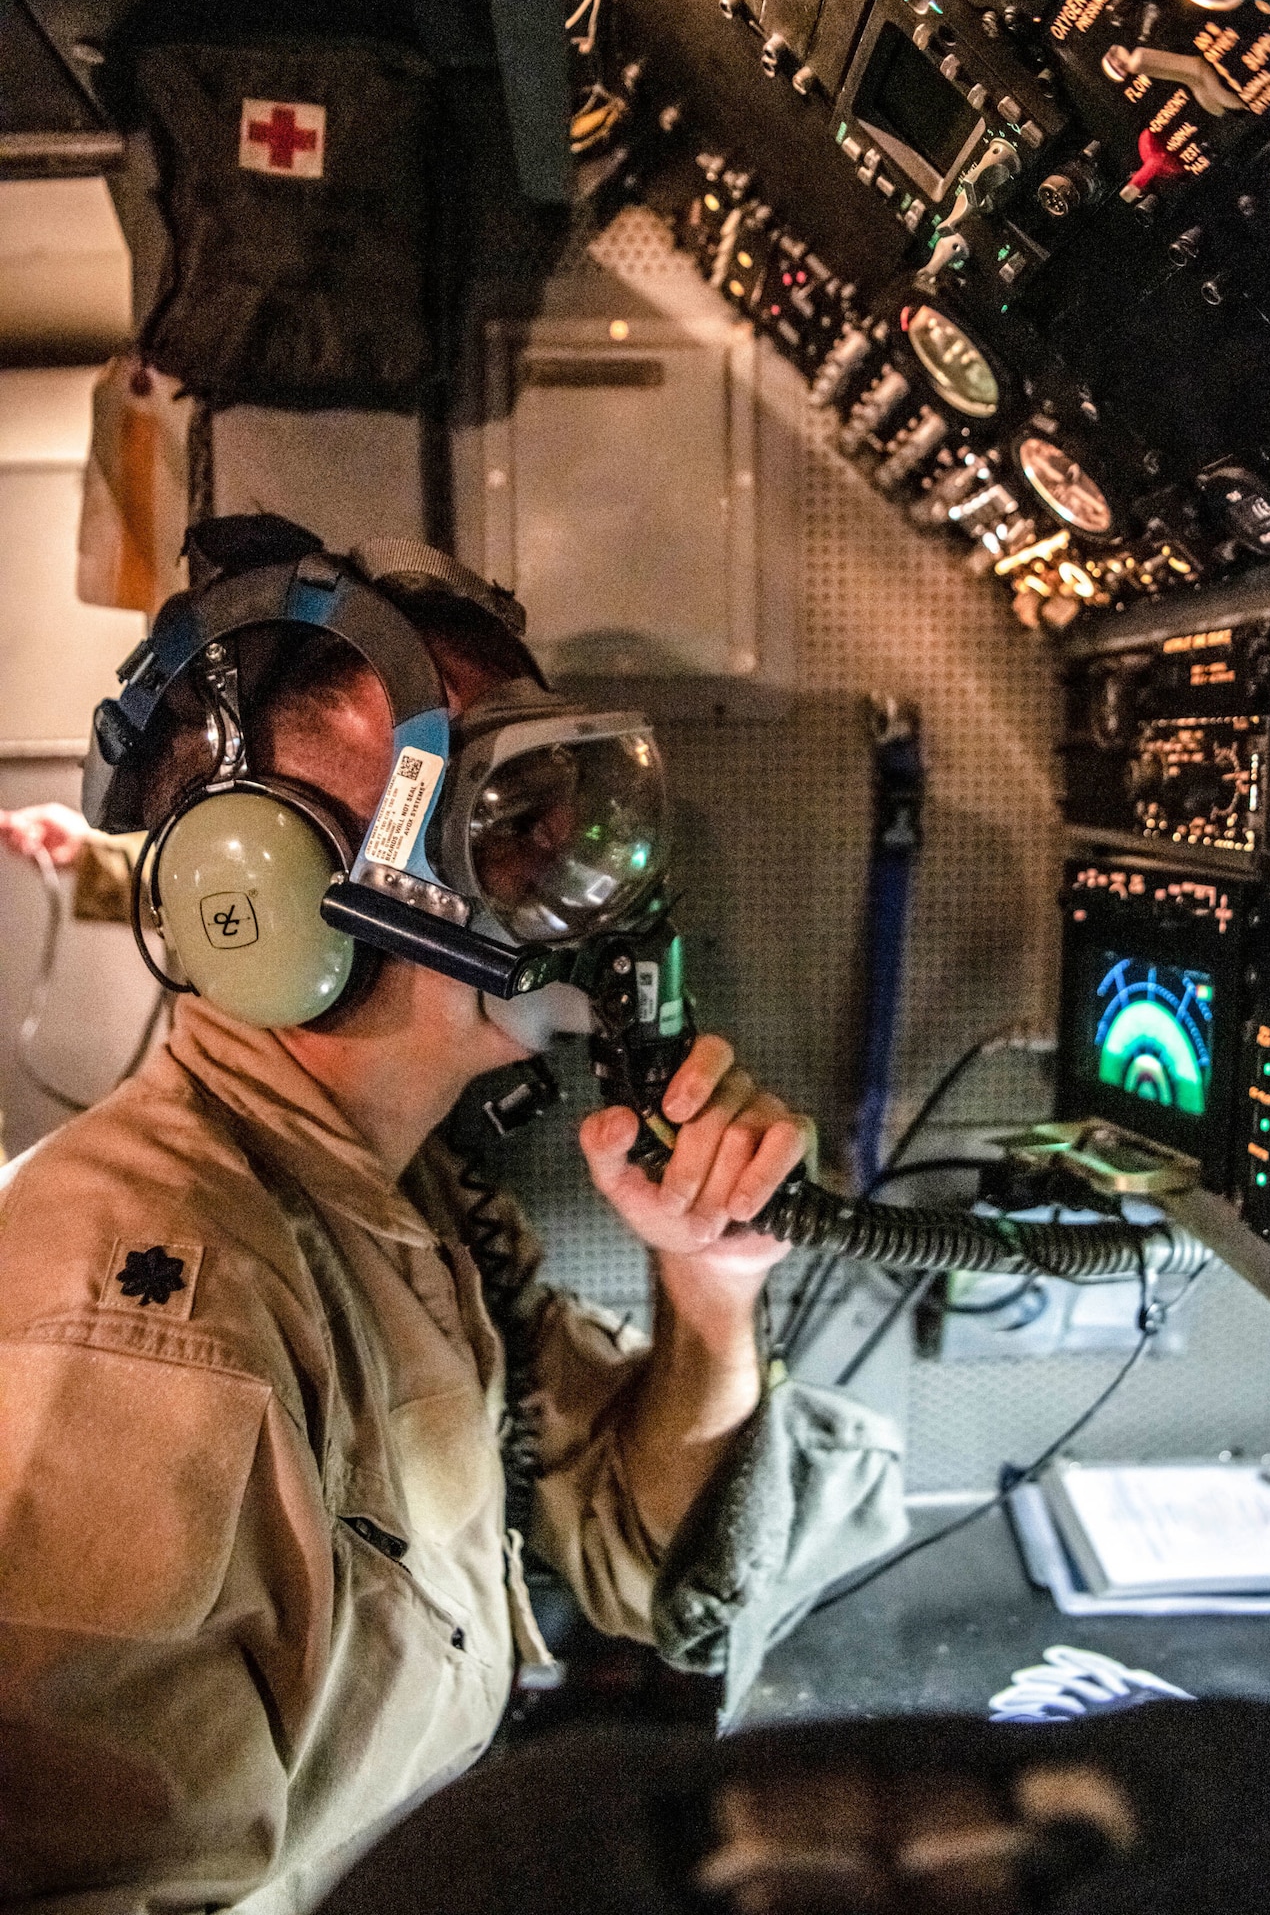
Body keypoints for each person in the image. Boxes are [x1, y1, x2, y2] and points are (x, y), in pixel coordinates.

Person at [0, 520, 908, 1914]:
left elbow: (626, 1566)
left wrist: (710, 1292)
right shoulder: (138, 1312)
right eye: (496, 819)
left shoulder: (399, 1197)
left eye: (550, 802)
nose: (568, 870)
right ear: (262, 893)